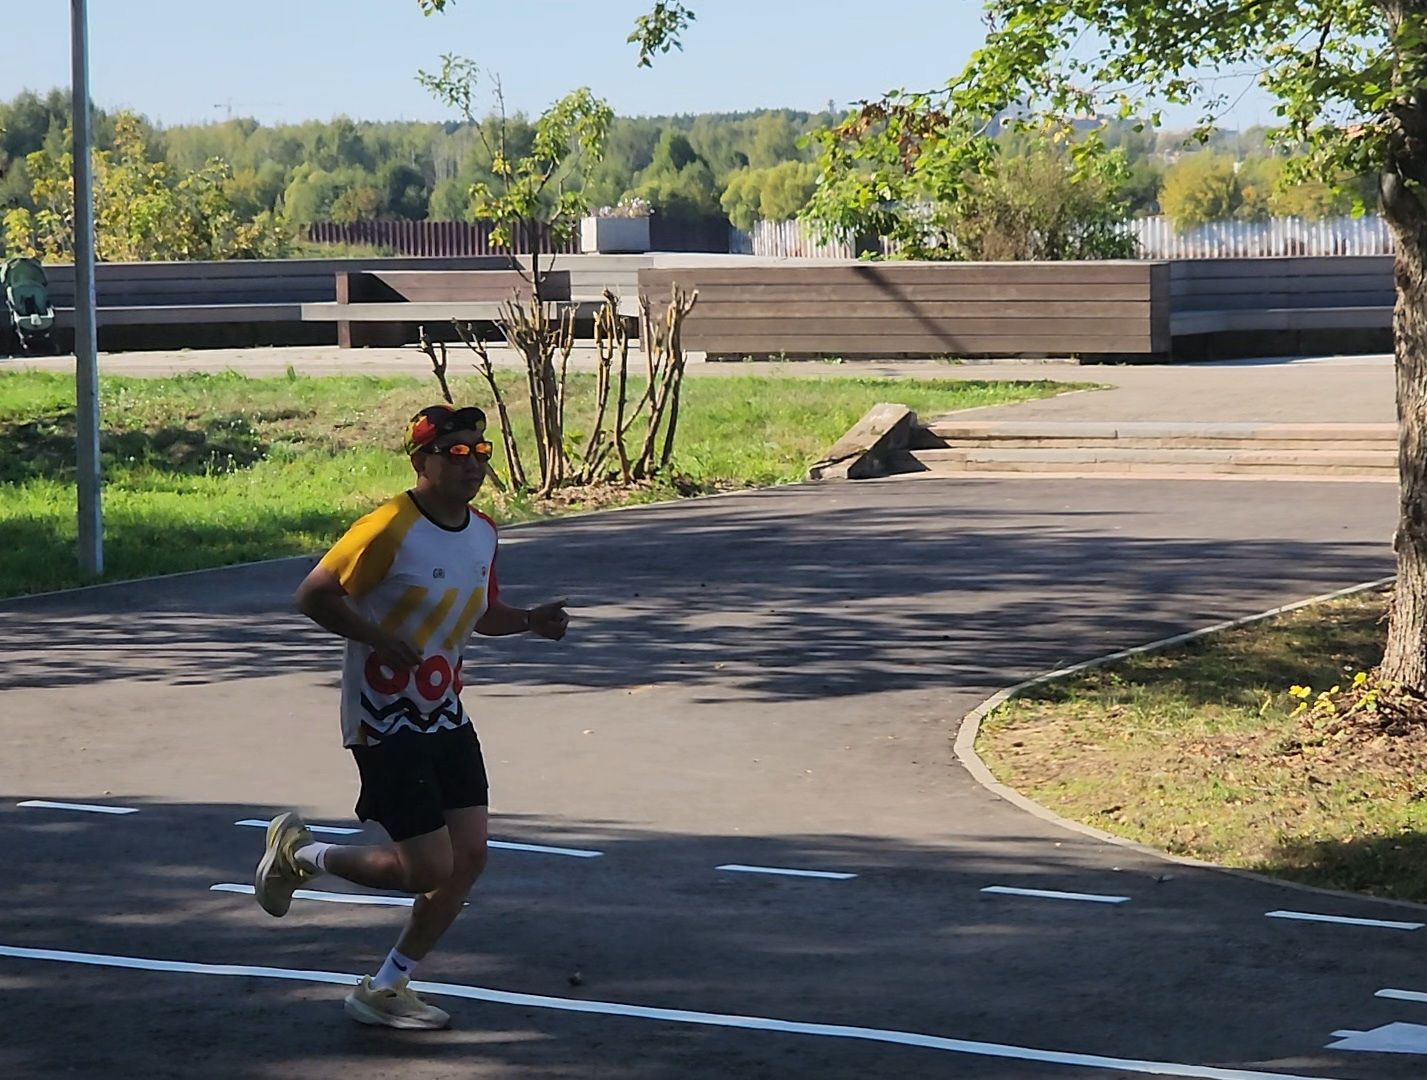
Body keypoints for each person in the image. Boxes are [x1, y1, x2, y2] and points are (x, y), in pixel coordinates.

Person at [255, 403, 569, 1030]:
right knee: (426, 869)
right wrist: (375, 635)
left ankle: (386, 985)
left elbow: (482, 612)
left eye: (480, 453)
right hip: (383, 718)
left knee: (469, 856)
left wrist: (531, 620)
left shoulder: (482, 531)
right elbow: (313, 595)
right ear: (421, 460)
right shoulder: (387, 528)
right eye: (456, 454)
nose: (473, 464)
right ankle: (300, 855)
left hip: (445, 714)